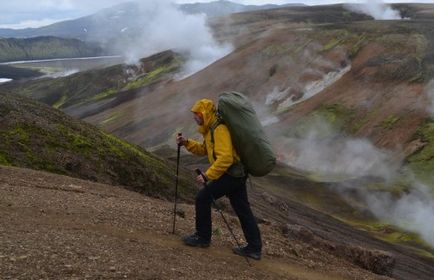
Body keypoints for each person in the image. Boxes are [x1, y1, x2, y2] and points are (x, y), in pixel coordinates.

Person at [176, 98, 262, 261]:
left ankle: (203, 237)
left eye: (197, 114)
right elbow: (204, 149)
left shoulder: (219, 129)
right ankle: (254, 248)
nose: (195, 117)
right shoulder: (210, 130)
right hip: (237, 174)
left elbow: (226, 158)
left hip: (232, 174)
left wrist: (207, 175)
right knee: (243, 210)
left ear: (205, 113)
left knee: (202, 198)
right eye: (194, 114)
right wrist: (186, 143)